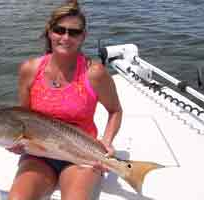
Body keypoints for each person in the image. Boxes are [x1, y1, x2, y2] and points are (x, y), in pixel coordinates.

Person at [8, 1, 122, 199]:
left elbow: (115, 110)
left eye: (74, 32)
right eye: (59, 30)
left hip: (82, 155)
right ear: (50, 32)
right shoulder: (30, 70)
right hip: (39, 155)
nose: (66, 37)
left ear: (83, 37)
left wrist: (107, 142)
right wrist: (16, 142)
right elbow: (23, 118)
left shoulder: (94, 74)